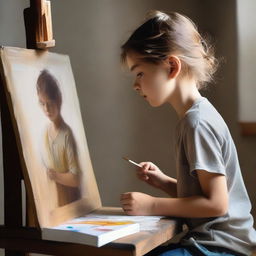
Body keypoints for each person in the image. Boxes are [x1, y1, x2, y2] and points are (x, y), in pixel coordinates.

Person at [120, 11, 256, 256]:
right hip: (213, 243)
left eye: (139, 72)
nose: (135, 84)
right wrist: (163, 182)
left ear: (172, 66)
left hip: (223, 248)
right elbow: (203, 199)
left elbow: (216, 204)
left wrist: (150, 205)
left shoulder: (197, 122)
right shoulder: (193, 118)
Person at [37, 69, 80, 207]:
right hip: (53, 199)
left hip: (70, 200)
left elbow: (76, 178)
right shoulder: (45, 132)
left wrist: (55, 176)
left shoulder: (66, 134)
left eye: (50, 103)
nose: (46, 109)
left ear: (59, 100)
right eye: (42, 103)